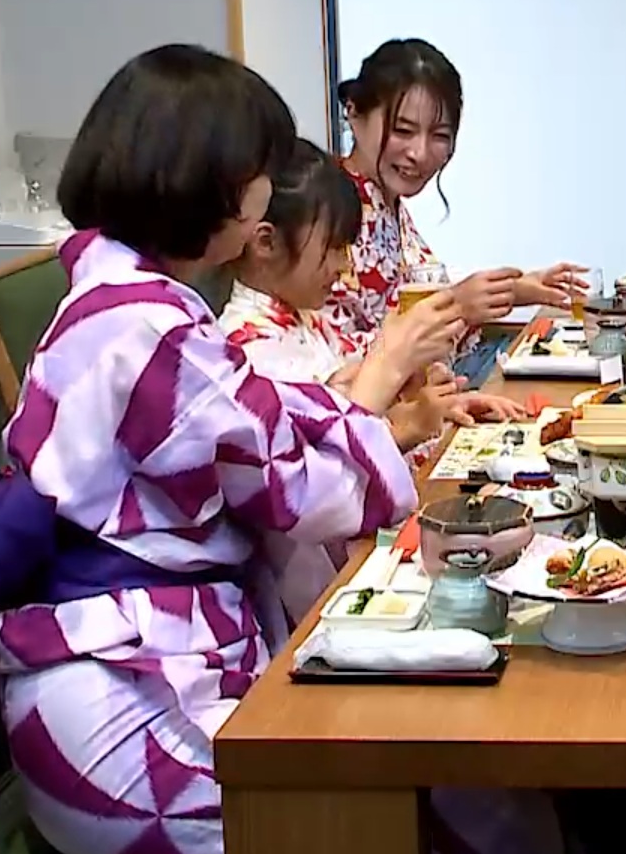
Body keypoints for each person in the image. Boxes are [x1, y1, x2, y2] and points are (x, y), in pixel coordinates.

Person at [0, 45, 468, 854]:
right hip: (111, 708)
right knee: (377, 819)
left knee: (414, 771)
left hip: (131, 656)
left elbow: (257, 412)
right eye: (260, 169)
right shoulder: (148, 334)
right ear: (213, 183)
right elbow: (306, 488)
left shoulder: (131, 302)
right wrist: (379, 378)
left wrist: (365, 393)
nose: (268, 189)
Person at [219, 136, 530, 628]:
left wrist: (432, 407)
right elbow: (318, 478)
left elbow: (349, 408)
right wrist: (402, 406)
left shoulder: (304, 319)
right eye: (333, 249)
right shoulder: (245, 348)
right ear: (265, 242)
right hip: (316, 588)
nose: (344, 268)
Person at [326, 39, 588, 369]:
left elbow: (410, 294)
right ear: (353, 112)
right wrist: (457, 307)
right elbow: (337, 352)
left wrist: (514, 288)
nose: (419, 154)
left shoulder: (384, 200)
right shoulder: (329, 208)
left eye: (439, 135)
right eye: (402, 130)